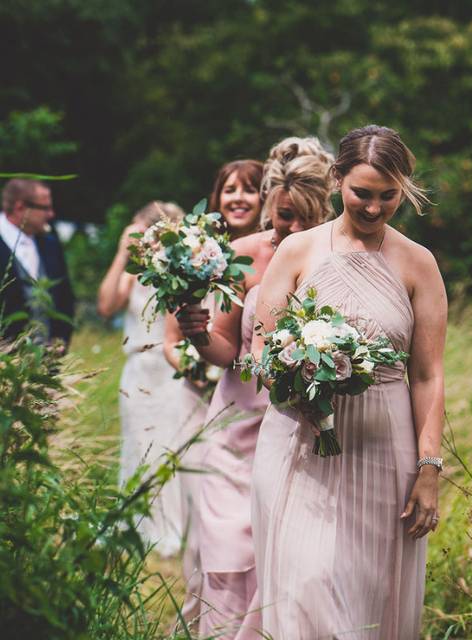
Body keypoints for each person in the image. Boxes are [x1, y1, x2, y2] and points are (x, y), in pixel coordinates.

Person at [249, 125, 447, 639]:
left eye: (389, 196)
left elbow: (426, 375)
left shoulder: (419, 265)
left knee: (365, 597)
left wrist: (430, 467)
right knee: (309, 585)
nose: (375, 208)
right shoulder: (297, 251)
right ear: (337, 180)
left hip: (385, 448)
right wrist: (297, 385)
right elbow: (261, 351)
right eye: (363, 193)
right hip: (304, 443)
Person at [175, 137, 335, 639]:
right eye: (283, 215)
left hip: (300, 427)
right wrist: (198, 334)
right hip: (236, 421)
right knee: (226, 545)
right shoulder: (241, 255)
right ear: (269, 203)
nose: (292, 229)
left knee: (288, 554)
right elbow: (226, 346)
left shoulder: (338, 260)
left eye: (304, 218)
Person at [161, 158, 264, 628]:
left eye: (250, 189)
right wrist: (193, 366)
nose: (239, 198)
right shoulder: (196, 252)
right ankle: (205, 611)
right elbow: (171, 338)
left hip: (257, 399)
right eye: (230, 190)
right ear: (216, 197)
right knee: (210, 512)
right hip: (201, 391)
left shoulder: (274, 253)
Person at [97, 200, 187, 557]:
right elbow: (105, 306)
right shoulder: (132, 271)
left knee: (170, 446)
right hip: (137, 369)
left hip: (170, 370)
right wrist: (122, 254)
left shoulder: (179, 272)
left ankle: (169, 526)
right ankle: (135, 523)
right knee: (136, 444)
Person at [0, 178, 74, 346]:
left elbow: (65, 298)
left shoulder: (50, 244)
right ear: (20, 208)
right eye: (45, 208)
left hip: (46, 361)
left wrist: (60, 342)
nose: (51, 214)